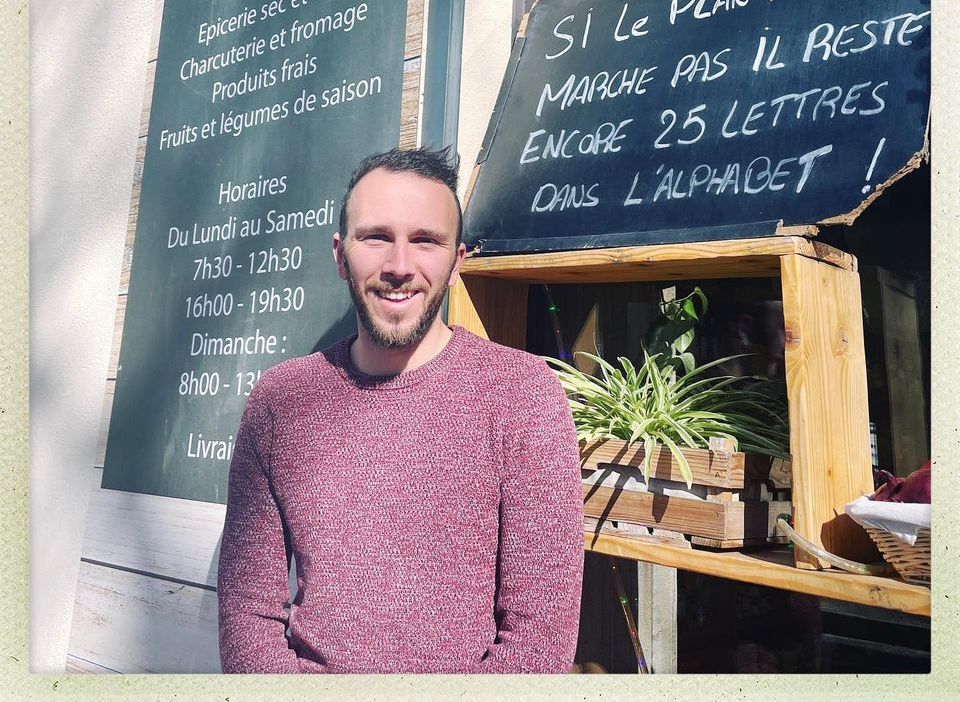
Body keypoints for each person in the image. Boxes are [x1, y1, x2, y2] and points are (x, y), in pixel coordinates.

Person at [217, 147, 584, 674]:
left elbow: (539, 641)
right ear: (340, 255)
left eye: (426, 241)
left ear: (457, 262)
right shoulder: (280, 400)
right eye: (376, 237)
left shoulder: (521, 396)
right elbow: (246, 617)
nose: (399, 267)